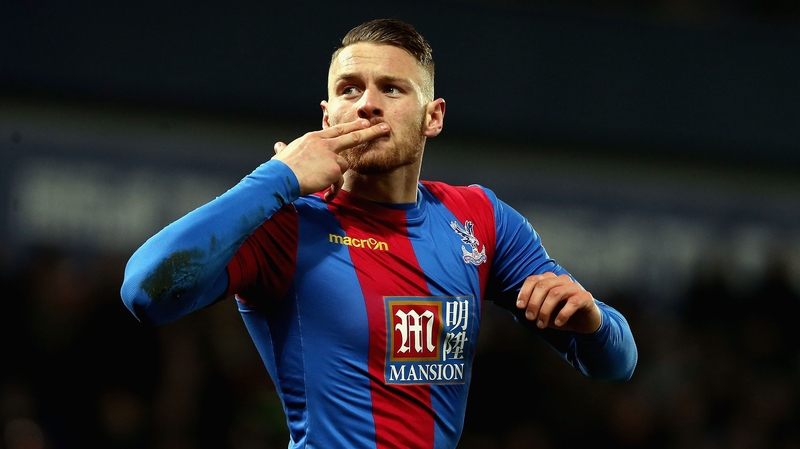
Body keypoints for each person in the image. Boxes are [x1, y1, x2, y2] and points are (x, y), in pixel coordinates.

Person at [121, 18, 638, 449]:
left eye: (391, 88)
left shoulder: (480, 218)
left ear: (433, 117)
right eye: (349, 89)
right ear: (327, 115)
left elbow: (616, 364)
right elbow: (146, 292)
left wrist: (591, 321)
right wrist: (277, 177)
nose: (367, 104)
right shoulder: (286, 224)